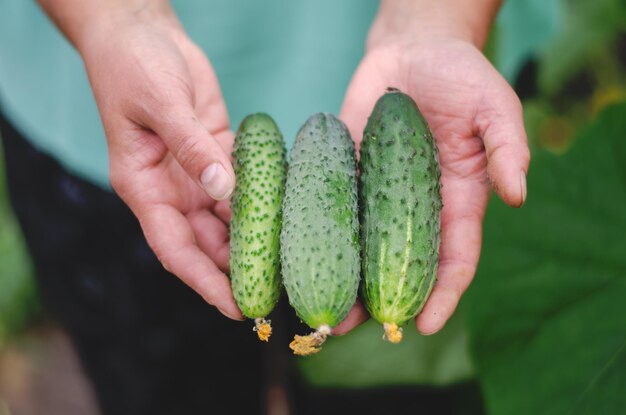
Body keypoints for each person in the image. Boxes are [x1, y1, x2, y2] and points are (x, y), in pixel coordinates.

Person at [0, 0, 529, 414]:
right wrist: (113, 20)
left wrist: (438, 19)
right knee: (169, 392)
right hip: (135, 133)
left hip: (417, 71)